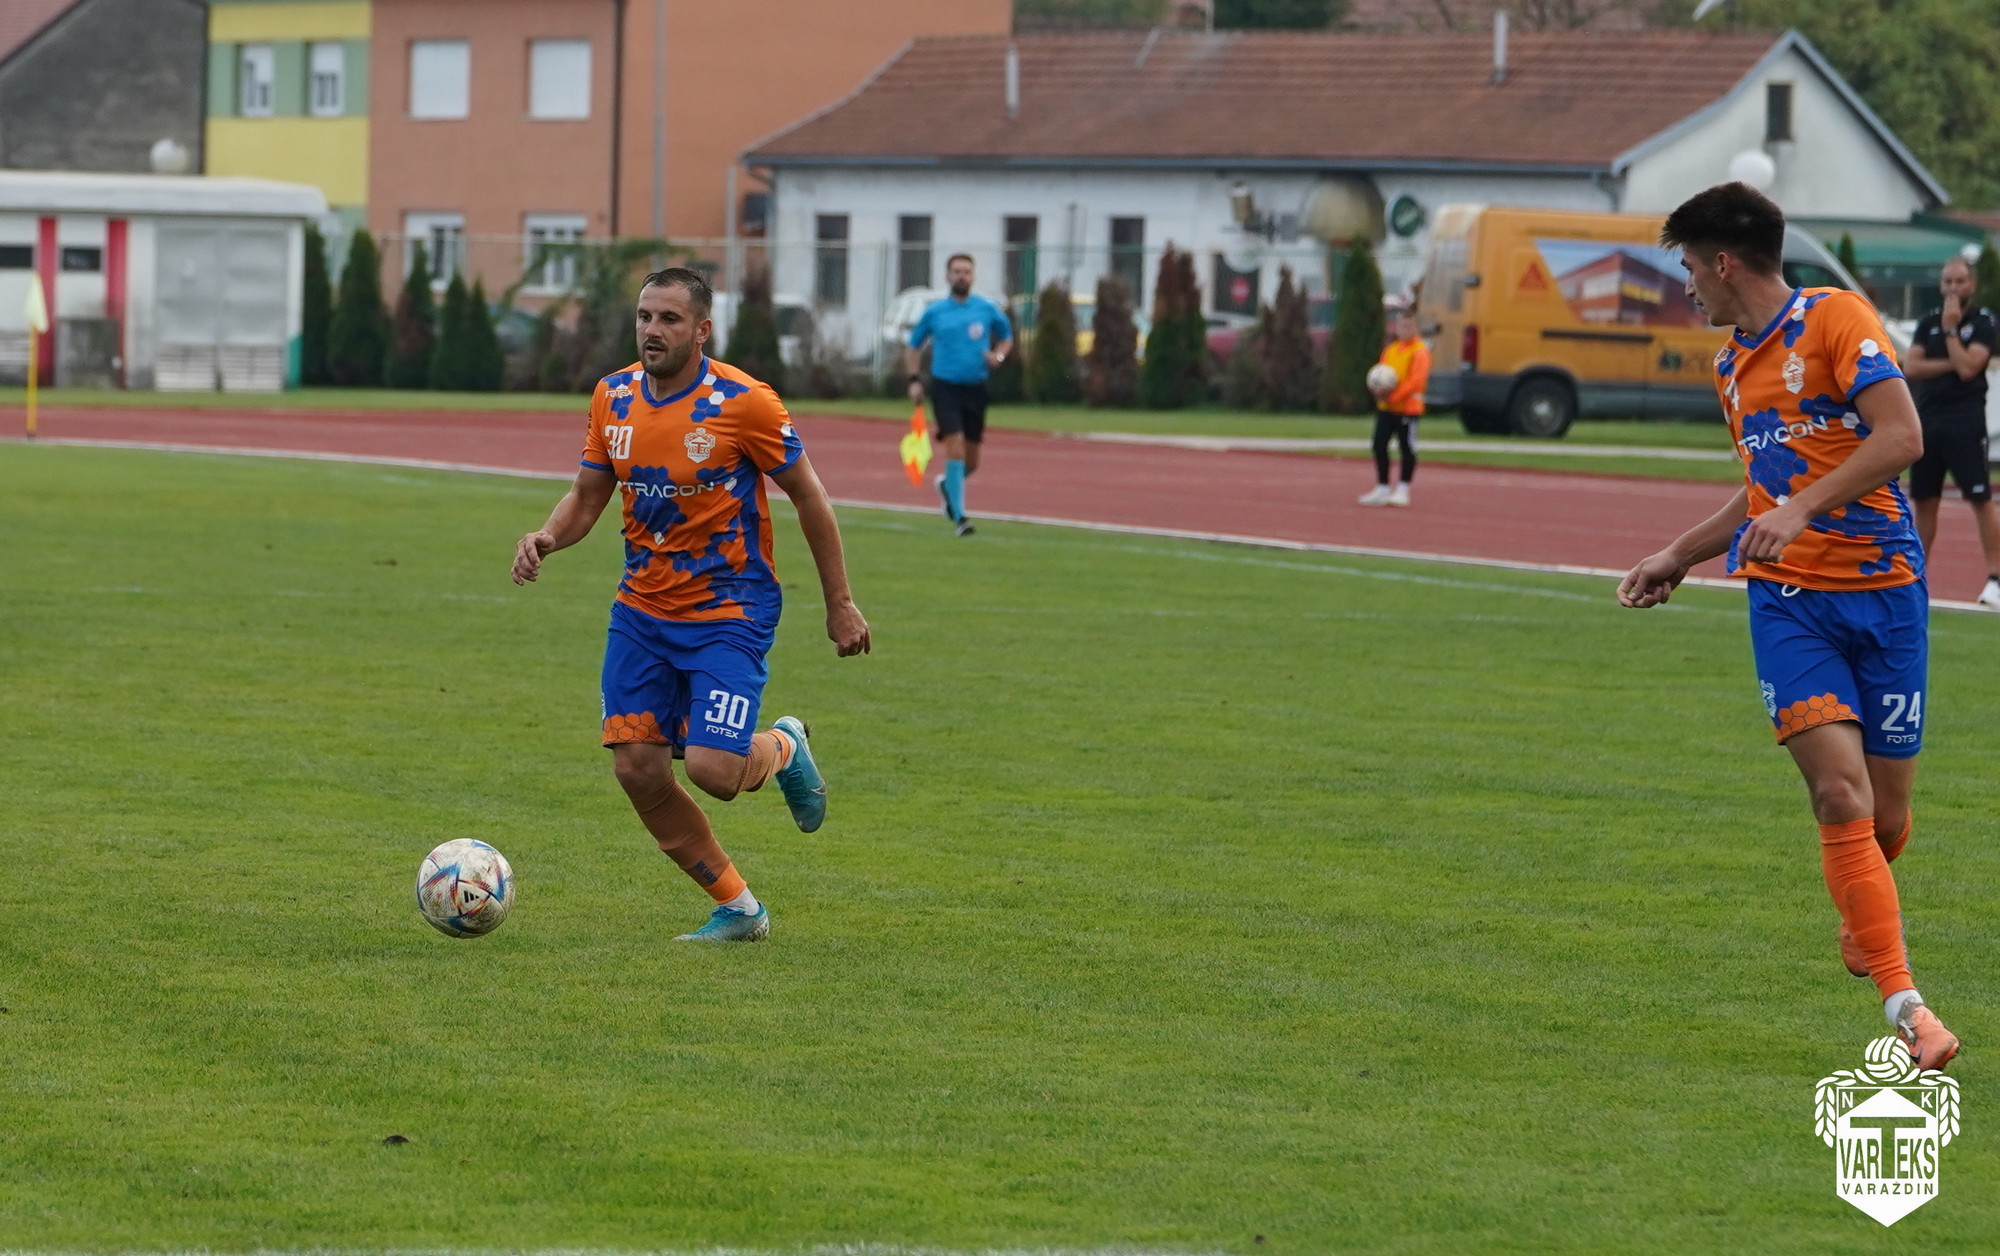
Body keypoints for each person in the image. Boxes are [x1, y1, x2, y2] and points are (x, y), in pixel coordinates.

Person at [1618, 183, 1958, 1070]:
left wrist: (1802, 507)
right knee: (1839, 794)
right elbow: (1762, 490)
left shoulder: (1836, 318)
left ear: (1725, 263)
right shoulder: (1730, 368)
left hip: (1887, 594)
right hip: (1789, 601)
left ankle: (1862, 908)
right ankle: (1911, 1010)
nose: (1687, 285)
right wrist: (1680, 554)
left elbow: (1902, 437)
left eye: (1690, 268)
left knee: (1887, 819)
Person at [511, 267, 871, 942]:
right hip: (641, 612)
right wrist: (548, 537)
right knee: (636, 767)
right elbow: (587, 495)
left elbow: (810, 496)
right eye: (645, 316)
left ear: (702, 330)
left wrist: (840, 603)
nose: (652, 330)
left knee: (714, 772)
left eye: (670, 319)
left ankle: (782, 745)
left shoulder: (745, 403)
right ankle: (740, 909)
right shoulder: (613, 396)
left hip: (729, 610)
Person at [1902, 255, 2000, 606]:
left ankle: (1995, 579)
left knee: (1980, 499)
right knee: (1925, 501)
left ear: (1972, 284)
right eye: (1948, 282)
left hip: (1965, 422)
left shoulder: (1984, 322)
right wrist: (1951, 362)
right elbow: (1912, 367)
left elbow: (1970, 368)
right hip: (1928, 421)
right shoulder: (1927, 321)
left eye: (1959, 281)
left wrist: (1950, 331)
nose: (1953, 288)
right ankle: (1915, 578)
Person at [905, 253, 1014, 536]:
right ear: (947, 276)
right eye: (956, 271)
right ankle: (961, 517)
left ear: (973, 276)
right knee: (954, 445)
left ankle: (947, 486)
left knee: (972, 461)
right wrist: (914, 379)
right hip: (945, 387)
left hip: (976, 388)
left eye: (966, 271)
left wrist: (998, 356)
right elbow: (914, 345)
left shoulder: (986, 308)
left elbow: (1006, 337)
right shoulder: (935, 312)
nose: (961, 276)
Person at [1357, 305, 1430, 507]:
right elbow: (1381, 374)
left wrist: (1394, 396)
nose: (1404, 330)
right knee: (1379, 444)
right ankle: (1382, 487)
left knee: (1407, 448)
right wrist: (1378, 391)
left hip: (1408, 409)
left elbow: (1416, 381)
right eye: (1401, 326)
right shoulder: (1390, 350)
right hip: (1387, 408)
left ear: (1416, 328)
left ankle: (1403, 489)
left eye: (1409, 326)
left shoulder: (1420, 352)